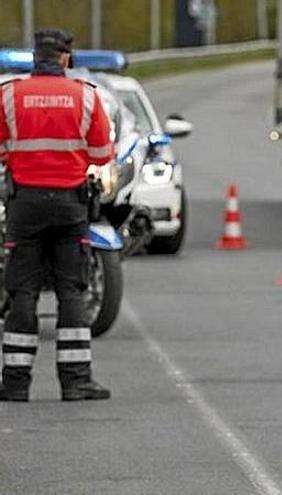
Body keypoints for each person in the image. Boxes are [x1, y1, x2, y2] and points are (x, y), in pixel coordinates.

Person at [0, 29, 114, 401]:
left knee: (22, 291)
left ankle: (15, 384)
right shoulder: (85, 96)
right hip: (70, 204)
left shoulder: (8, 95)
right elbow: (101, 153)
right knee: (71, 290)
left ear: (35, 57)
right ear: (66, 58)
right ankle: (76, 381)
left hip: (24, 205)